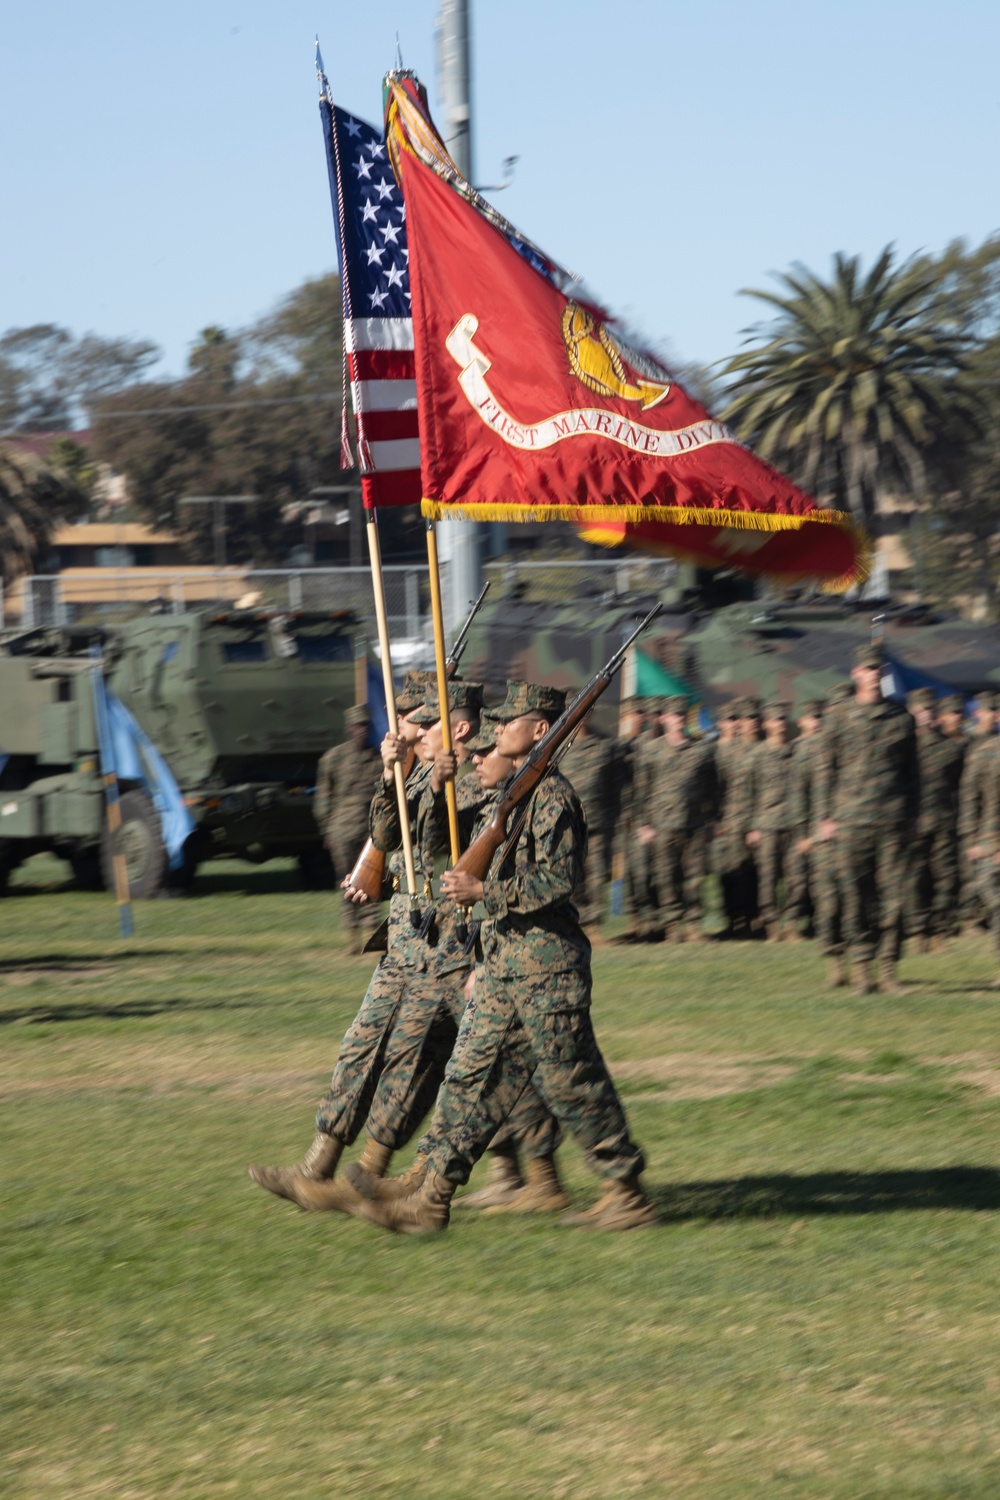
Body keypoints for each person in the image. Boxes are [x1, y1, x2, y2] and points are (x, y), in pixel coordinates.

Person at [340, 681, 656, 1235]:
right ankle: (432, 1194)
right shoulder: (503, 797)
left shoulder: (553, 796)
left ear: (539, 732)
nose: (494, 735)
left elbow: (559, 882)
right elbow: (424, 836)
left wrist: (486, 895)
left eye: (508, 725)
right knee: (467, 1077)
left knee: (570, 1080)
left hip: (547, 967)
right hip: (502, 964)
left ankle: (625, 1190)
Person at [247, 677, 469, 1203]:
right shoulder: (413, 773)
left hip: (450, 946)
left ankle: (521, 1177)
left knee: (464, 1066)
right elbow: (390, 839)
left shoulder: (466, 775)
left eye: (414, 719)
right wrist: (389, 776)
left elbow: (442, 845)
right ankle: (321, 1167)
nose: (403, 728)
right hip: (406, 939)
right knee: (363, 1049)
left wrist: (437, 787)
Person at [816, 644, 919, 995]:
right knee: (856, 896)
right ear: (855, 674)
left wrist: (913, 815)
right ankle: (862, 969)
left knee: (894, 896)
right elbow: (824, 770)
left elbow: (912, 773)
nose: (874, 674)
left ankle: (888, 969)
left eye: (878, 669)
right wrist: (825, 817)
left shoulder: (901, 717)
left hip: (892, 819)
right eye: (867, 669)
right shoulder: (839, 717)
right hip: (850, 820)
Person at [634, 695, 718, 942]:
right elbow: (641, 791)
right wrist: (643, 824)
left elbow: (713, 789)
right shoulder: (651, 751)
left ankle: (693, 924)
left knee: (695, 877)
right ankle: (672, 924)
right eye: (673, 715)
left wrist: (713, 819)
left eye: (681, 715)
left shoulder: (700, 750)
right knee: (667, 877)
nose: (678, 719)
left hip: (694, 824)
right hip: (662, 825)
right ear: (664, 718)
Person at [313, 704, 382, 951]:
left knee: (372, 881)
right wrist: (326, 829)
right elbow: (323, 797)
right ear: (348, 728)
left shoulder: (378, 759)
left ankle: (372, 931)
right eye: (356, 726)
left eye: (365, 725)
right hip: (341, 831)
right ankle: (352, 937)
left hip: (370, 833)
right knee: (347, 883)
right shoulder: (333, 758)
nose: (361, 730)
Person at [905, 690, 966, 951]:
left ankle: (940, 929)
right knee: (915, 877)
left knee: (946, 876)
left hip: (943, 819)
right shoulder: (902, 748)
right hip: (911, 823)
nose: (925, 715)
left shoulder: (951, 748)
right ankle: (919, 929)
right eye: (920, 710)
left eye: (929, 710)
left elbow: (963, 787)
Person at [744, 702, 797, 940]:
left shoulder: (797, 751)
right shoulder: (757, 755)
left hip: (794, 824)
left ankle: (793, 924)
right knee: (768, 877)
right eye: (775, 720)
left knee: (797, 877)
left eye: (783, 719)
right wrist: (752, 826)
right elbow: (749, 793)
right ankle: (772, 924)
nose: (780, 724)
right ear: (767, 724)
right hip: (766, 824)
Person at [560, 718, 616, 935]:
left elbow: (613, 788)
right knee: (572, 876)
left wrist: (613, 820)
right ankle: (576, 923)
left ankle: (594, 926)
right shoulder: (558, 749)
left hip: (596, 823)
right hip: (567, 825)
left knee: (597, 875)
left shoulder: (603, 747)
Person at [959, 692, 1000, 931]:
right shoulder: (984, 753)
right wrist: (971, 837)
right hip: (989, 832)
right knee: (987, 884)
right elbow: (970, 797)